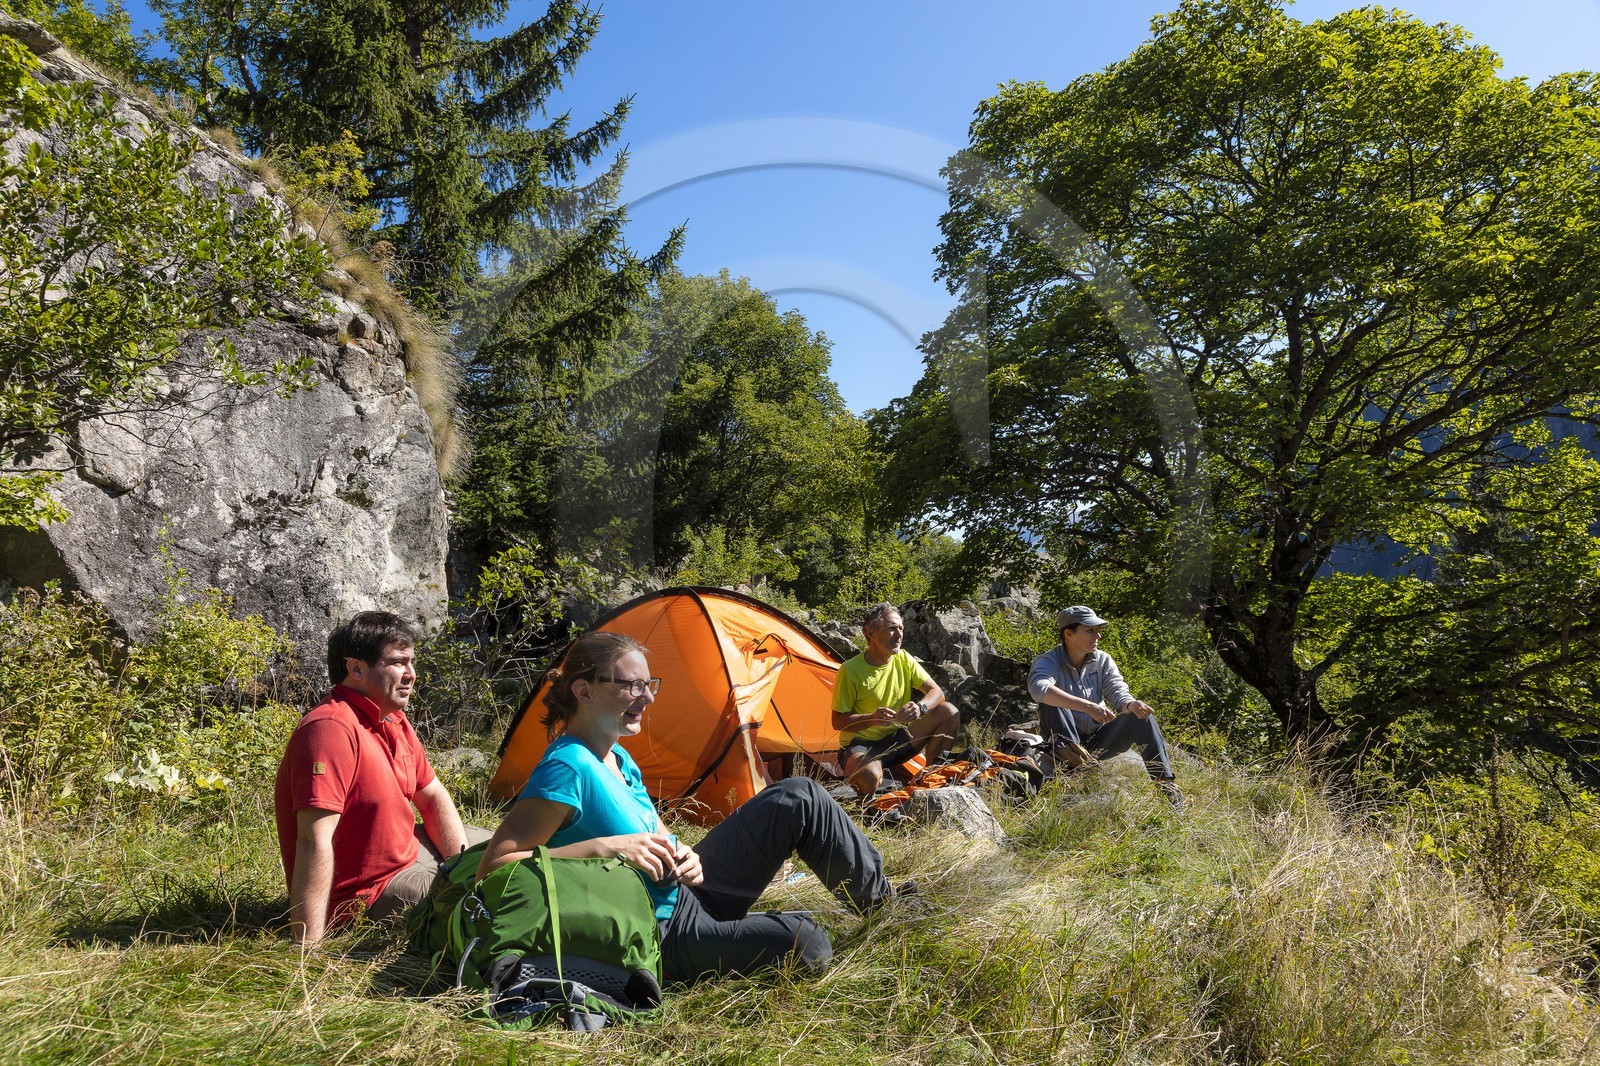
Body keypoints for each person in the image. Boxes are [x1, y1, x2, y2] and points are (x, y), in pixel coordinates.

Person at [478, 631, 900, 983]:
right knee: (807, 944)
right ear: (584, 690)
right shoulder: (565, 767)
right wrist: (606, 849)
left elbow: (657, 832)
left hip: (685, 890)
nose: (647, 697)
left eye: (649, 684)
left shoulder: (617, 757)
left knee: (800, 797)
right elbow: (495, 868)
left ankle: (889, 909)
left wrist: (687, 854)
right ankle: (745, 934)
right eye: (631, 686)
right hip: (655, 931)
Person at [274, 611, 489, 944]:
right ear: (356, 668)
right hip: (369, 894)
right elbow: (313, 840)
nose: (411, 674)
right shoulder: (330, 729)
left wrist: (458, 864)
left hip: (411, 848)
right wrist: (307, 950)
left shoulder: (393, 720)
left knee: (512, 851)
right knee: (492, 902)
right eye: (398, 663)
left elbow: (431, 796)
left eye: (411, 662)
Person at [1028, 606, 1182, 804]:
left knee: (1142, 718)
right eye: (1090, 630)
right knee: (1051, 703)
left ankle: (1166, 787)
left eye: (1098, 630)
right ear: (1069, 633)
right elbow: (1038, 688)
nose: (1098, 635)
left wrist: (1131, 704)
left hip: (1098, 742)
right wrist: (1087, 706)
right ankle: (1076, 766)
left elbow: (1118, 693)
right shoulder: (1048, 661)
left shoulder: (1102, 660)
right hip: (1063, 743)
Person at [831, 603, 961, 799]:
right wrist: (872, 719)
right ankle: (868, 796)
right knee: (868, 777)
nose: (899, 634)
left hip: (899, 737)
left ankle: (932, 782)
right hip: (862, 745)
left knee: (948, 712)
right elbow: (838, 721)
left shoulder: (903, 659)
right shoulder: (850, 670)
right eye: (892, 628)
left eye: (901, 628)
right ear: (870, 632)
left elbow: (937, 692)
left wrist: (920, 707)